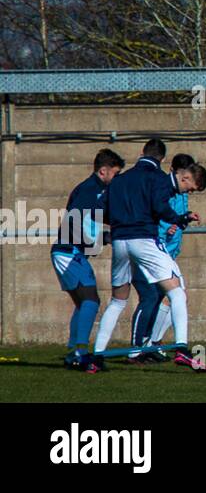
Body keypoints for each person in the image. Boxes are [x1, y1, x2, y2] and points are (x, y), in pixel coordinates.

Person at [92, 138, 206, 371]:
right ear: (162, 159)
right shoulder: (159, 178)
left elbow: (101, 211)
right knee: (177, 291)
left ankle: (96, 357)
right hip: (144, 239)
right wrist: (180, 218)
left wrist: (120, 222)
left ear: (142, 152)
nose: (187, 191)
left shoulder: (119, 180)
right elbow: (159, 206)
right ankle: (182, 349)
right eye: (189, 188)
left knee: (117, 300)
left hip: (120, 241)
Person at [51, 148, 124, 372]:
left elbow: (93, 218)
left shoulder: (95, 190)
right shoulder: (90, 191)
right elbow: (76, 218)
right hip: (68, 252)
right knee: (91, 301)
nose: (117, 178)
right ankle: (81, 354)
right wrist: (99, 237)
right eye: (116, 173)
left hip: (70, 251)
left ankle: (74, 352)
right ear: (103, 171)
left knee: (84, 303)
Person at [127, 154, 203, 362]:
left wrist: (184, 219)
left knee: (170, 297)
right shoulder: (164, 186)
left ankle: (151, 343)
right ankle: (144, 346)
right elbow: (157, 212)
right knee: (156, 296)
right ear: (179, 173)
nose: (188, 188)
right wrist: (168, 227)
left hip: (168, 250)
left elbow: (173, 215)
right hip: (154, 249)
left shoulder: (181, 192)